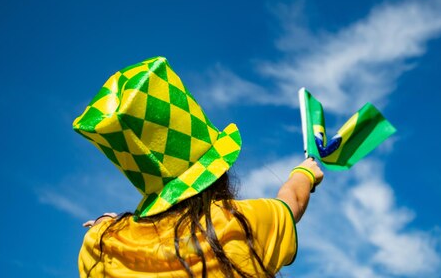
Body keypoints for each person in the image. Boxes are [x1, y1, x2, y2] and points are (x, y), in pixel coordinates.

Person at [73, 57, 323, 277]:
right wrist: (305, 173)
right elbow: (293, 202)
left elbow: (106, 239)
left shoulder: (101, 247)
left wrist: (107, 225)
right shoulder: (242, 225)